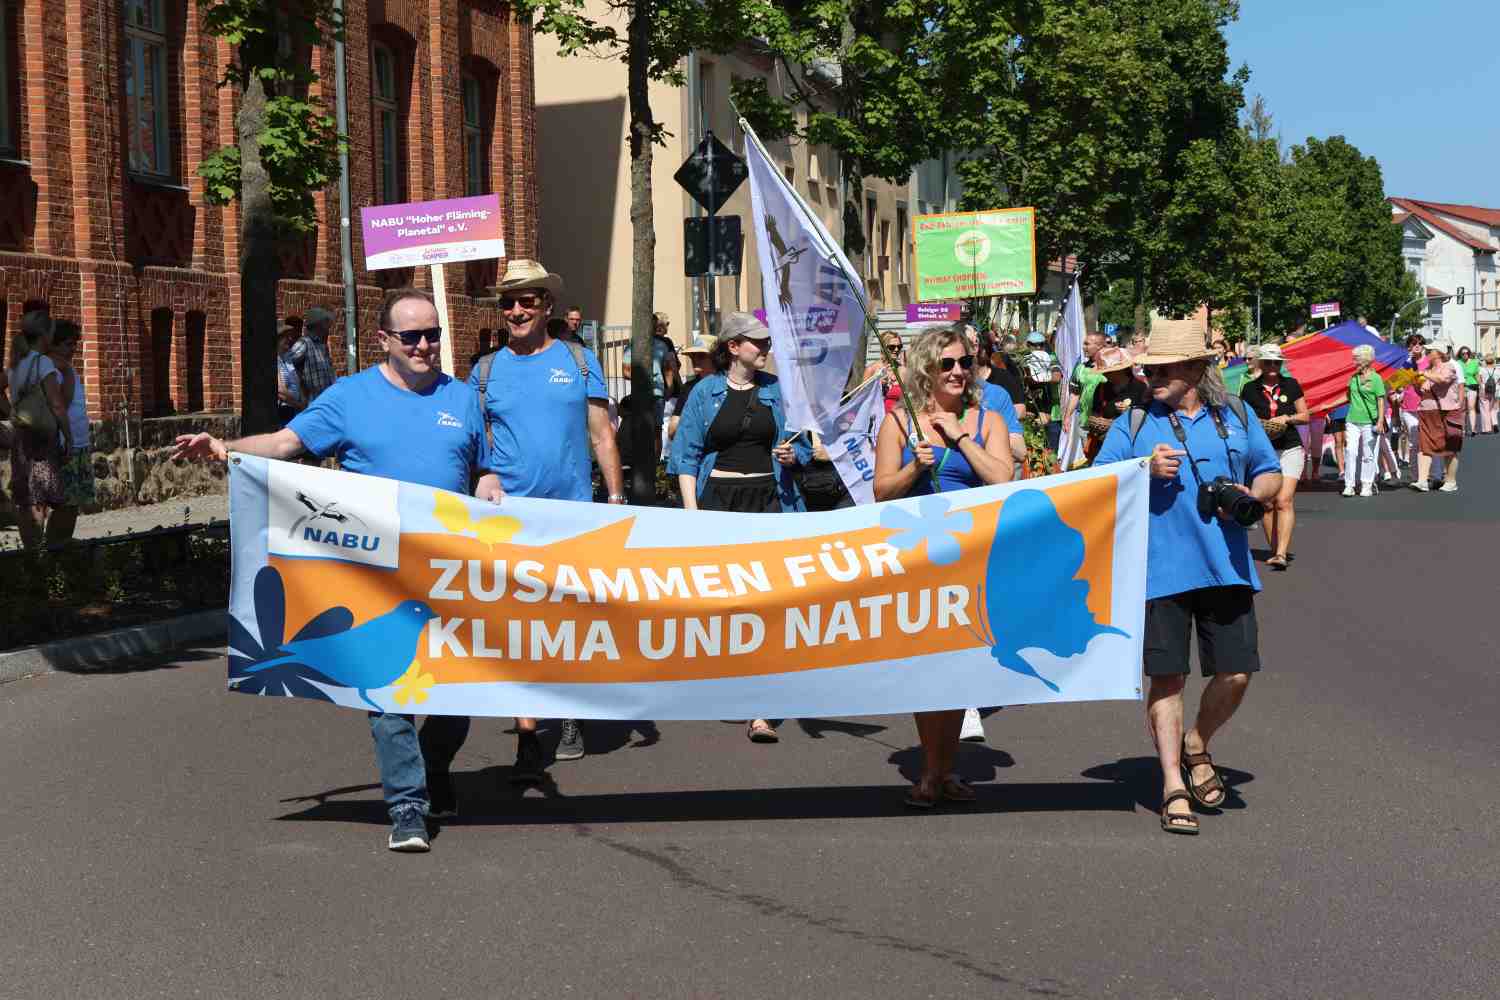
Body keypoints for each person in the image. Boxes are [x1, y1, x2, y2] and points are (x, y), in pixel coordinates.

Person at [171, 287, 498, 853]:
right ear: (384, 341)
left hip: (449, 569)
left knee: (455, 695)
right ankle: (407, 808)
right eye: (413, 336)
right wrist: (223, 449)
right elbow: (284, 441)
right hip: (374, 571)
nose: (425, 345)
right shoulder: (350, 397)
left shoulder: (464, 399)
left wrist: (491, 486)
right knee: (389, 689)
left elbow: (485, 469)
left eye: (434, 334)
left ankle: (436, 766)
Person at [1093, 317, 1281, 836]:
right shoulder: (1133, 424)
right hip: (1158, 570)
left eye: (1164, 367)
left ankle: (1197, 741)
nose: (1151, 375)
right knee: (1168, 678)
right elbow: (1095, 483)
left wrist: (1254, 497)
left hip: (1228, 567)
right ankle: (1173, 782)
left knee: (1236, 672)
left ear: (1197, 368)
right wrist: (1141, 471)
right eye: (1148, 367)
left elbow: (1269, 470)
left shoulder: (1238, 414)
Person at [470, 259, 627, 770]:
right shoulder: (485, 370)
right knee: (515, 628)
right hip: (509, 519)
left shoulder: (579, 362)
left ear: (547, 307)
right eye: (509, 303)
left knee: (565, 623)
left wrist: (617, 500)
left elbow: (603, 435)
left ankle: (568, 713)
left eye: (527, 302)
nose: (516, 311)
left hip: (572, 517)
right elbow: (475, 446)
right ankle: (526, 735)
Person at [872, 325, 1014, 807]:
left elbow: (1002, 479)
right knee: (927, 666)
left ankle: (942, 768)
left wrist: (959, 439)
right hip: (919, 560)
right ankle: (933, 771)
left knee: (960, 667)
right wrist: (916, 464)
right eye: (947, 364)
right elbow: (881, 491)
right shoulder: (899, 420)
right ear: (926, 370)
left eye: (964, 363)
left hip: (972, 558)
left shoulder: (987, 418)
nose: (958, 371)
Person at [671, 311, 807, 744]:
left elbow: (797, 442)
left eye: (767, 344)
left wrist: (794, 455)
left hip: (768, 502)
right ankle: (727, 681)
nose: (765, 350)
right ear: (733, 347)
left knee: (767, 602)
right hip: (718, 504)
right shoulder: (704, 393)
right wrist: (692, 512)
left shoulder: (775, 392)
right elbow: (686, 456)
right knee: (725, 602)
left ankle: (760, 706)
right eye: (758, 343)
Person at [1239, 344, 1307, 570]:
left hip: (1290, 447)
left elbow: (1305, 415)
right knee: (1267, 503)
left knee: (1283, 500)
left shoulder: (1291, 384)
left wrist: (1286, 419)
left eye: (1276, 362)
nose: (1272, 367)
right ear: (1259, 363)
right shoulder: (1249, 389)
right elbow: (1242, 419)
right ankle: (1275, 550)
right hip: (1263, 450)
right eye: (1268, 362)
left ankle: (1281, 553)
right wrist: (1257, 426)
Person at [7, 310, 70, 550]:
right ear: (45, 333)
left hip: (20, 436)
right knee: (43, 498)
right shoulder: (42, 361)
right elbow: (56, 403)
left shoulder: (16, 362)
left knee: (26, 497)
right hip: (42, 437)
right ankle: (46, 555)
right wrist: (69, 436)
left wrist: (12, 409)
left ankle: (30, 555)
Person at [43, 321, 94, 543]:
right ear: (52, 345)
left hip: (79, 444)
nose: (73, 348)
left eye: (75, 344)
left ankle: (62, 546)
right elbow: (60, 405)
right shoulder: (52, 370)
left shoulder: (67, 368)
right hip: (65, 445)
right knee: (64, 503)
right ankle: (53, 548)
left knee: (74, 503)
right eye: (67, 344)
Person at [1412, 341, 1463, 493]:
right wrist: (1415, 383)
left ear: (1439, 353)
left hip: (1445, 412)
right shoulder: (1427, 369)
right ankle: (1422, 481)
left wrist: (1424, 374)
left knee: (1448, 448)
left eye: (1430, 351)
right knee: (1424, 446)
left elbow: (1442, 380)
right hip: (1426, 411)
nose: (1426, 353)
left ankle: (1451, 480)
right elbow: (1423, 391)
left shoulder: (1449, 367)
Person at [621, 311, 681, 425]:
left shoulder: (662, 345)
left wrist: (669, 388)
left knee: (657, 429)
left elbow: (669, 369)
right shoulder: (632, 346)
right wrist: (644, 378)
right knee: (641, 429)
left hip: (658, 394)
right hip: (640, 394)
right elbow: (625, 372)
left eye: (655, 326)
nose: (653, 329)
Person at [1341, 346, 1386, 498]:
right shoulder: (1353, 378)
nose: (1354, 362)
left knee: (1368, 454)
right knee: (1350, 451)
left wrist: (1380, 421)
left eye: (1357, 359)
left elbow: (1381, 401)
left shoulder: (1376, 379)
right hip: (1352, 420)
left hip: (1369, 422)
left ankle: (1366, 484)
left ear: (1366, 360)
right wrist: (1327, 405)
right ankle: (1349, 485)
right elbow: (1347, 397)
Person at [286, 305, 337, 404]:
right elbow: (285, 363)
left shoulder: (321, 345)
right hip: (312, 402)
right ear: (317, 325)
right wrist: (300, 386)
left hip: (326, 401)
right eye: (325, 323)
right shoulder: (304, 343)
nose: (328, 327)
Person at [1020, 331, 1062, 451]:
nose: (1038, 347)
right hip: (1032, 410)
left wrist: (1038, 379)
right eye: (1034, 345)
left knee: (1051, 449)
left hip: (1053, 411)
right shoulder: (1023, 359)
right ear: (1028, 345)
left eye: (1041, 344)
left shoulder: (1051, 357)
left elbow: (1057, 376)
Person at [865, 331, 907, 415]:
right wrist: (877, 386)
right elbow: (862, 398)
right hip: (876, 419)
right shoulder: (872, 369)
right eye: (892, 347)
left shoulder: (903, 370)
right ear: (883, 347)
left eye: (899, 347)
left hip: (897, 418)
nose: (896, 349)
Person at [275, 324, 305, 427]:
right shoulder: (274, 360)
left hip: (293, 411)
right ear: (277, 339)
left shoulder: (287, 359)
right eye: (286, 336)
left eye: (290, 336)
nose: (290, 339)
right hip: (282, 412)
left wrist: (302, 400)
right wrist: (300, 405)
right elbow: (280, 391)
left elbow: (296, 384)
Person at [1457, 346, 1480, 435]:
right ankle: (1463, 429)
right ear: (1460, 354)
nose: (1465, 355)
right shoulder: (1458, 363)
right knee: (1462, 409)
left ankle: (1473, 429)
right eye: (1463, 353)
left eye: (1466, 353)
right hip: (1461, 388)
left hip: (1471, 387)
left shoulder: (1474, 362)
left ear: (1469, 353)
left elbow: (1477, 375)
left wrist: (1481, 387)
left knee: (1471, 407)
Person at [1478, 354, 1498, 434]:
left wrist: (1481, 387)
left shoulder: (1482, 370)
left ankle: (1486, 429)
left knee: (1484, 409)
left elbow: (1479, 380)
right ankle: (1495, 423)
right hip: (1495, 391)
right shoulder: (1497, 370)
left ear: (1485, 361)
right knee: (1493, 408)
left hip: (1484, 390)